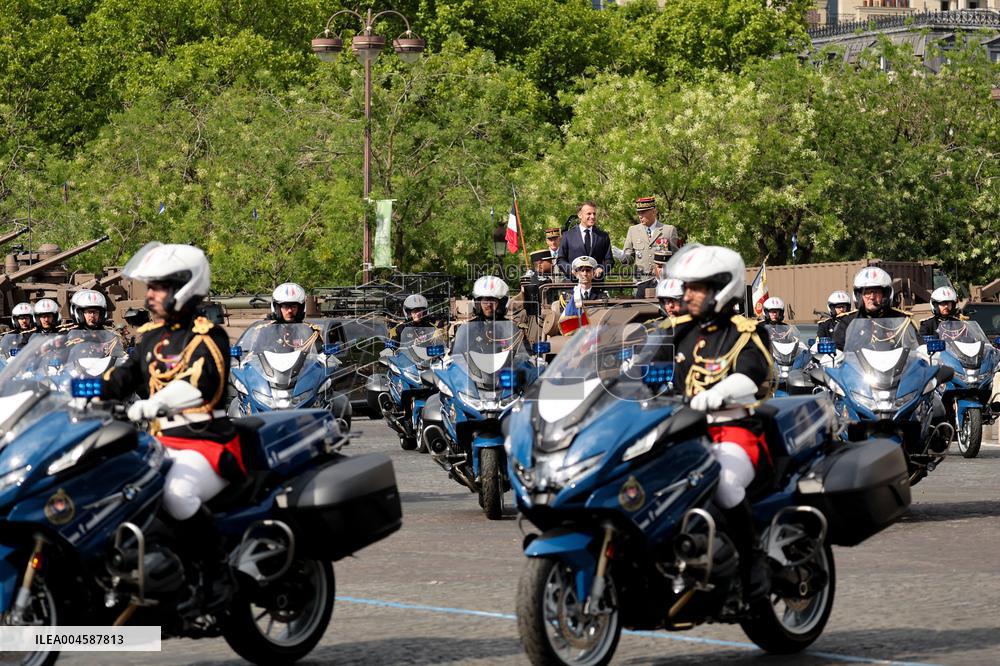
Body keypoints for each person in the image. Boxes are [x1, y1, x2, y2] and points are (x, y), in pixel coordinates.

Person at [102, 242, 237, 609]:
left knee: (177, 494)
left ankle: (217, 573)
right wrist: (70, 392)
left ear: (184, 287)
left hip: (202, 440)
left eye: (157, 286)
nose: (149, 295)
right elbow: (121, 377)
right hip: (156, 442)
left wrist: (154, 404)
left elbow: (202, 383)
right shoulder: (151, 336)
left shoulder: (208, 334)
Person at [662, 244, 774, 601]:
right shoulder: (676, 330)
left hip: (732, 431)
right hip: (679, 433)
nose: (688, 294)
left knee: (723, 483)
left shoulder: (744, 331)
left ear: (722, 288)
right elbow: (631, 366)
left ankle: (752, 560)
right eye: (687, 286)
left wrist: (719, 392)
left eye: (697, 287)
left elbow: (754, 375)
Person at [833, 266, 911, 351]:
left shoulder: (900, 319)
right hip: (856, 363)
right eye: (867, 293)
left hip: (894, 363)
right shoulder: (848, 321)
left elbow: (915, 348)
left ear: (885, 295)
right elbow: (836, 350)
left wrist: (922, 351)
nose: (872, 297)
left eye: (876, 292)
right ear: (859, 296)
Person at [622, 196, 680, 278]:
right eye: (639, 213)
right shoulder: (633, 231)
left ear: (654, 212)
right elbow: (630, 259)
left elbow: (676, 257)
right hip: (640, 281)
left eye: (643, 212)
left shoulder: (668, 230)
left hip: (661, 281)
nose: (640, 216)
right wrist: (623, 257)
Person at [556, 201, 613, 280]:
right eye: (589, 214)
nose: (592, 216)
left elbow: (609, 260)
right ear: (580, 215)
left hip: (596, 285)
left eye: (594, 214)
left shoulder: (603, 236)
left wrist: (601, 268)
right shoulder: (567, 236)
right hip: (573, 285)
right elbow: (560, 260)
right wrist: (571, 270)